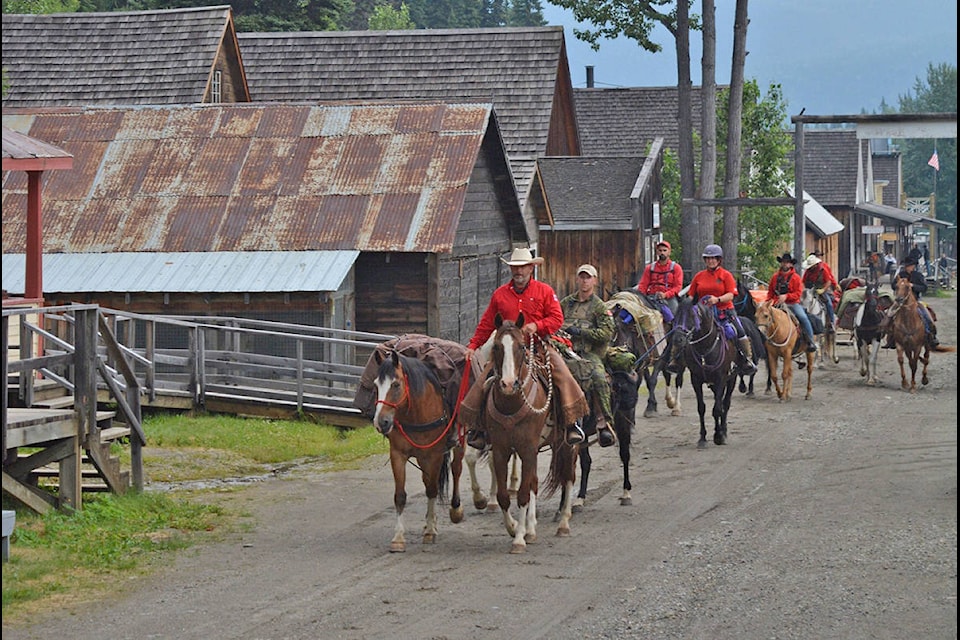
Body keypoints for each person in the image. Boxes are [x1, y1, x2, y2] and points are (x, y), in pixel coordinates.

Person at [459, 247, 589, 449]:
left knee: (563, 374)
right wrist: (473, 345)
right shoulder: (500, 295)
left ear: (531, 268)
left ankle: (571, 424)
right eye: (515, 268)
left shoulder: (544, 291)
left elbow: (557, 318)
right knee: (483, 379)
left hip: (537, 346)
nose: (518, 272)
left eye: (523, 267)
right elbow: (486, 323)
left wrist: (537, 325)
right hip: (507, 350)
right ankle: (479, 428)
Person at [559, 264, 616, 447]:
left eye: (588, 277)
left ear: (595, 281)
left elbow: (607, 333)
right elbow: (555, 321)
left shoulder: (599, 306)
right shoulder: (566, 303)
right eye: (582, 277)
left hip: (589, 353)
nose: (584, 281)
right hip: (565, 351)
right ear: (577, 279)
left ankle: (604, 421)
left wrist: (581, 332)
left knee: (599, 378)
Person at [678, 243, 757, 374]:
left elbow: (731, 295)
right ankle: (677, 359)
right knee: (684, 330)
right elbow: (692, 295)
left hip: (724, 311)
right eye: (708, 258)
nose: (711, 261)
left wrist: (717, 299)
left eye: (713, 258)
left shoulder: (726, 275)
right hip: (703, 313)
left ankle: (746, 359)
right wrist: (685, 303)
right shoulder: (699, 276)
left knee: (739, 331)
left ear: (719, 259)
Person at [883, 255, 940, 348]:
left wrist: (913, 286)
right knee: (889, 314)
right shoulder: (900, 275)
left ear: (913, 266)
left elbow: (924, 288)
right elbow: (893, 285)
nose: (907, 267)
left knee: (926, 315)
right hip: (900, 301)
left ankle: (931, 335)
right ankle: (890, 336)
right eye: (906, 266)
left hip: (916, 301)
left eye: (909, 265)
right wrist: (899, 285)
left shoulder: (918, 276)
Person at [766, 253, 818, 353]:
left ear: (790, 264)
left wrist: (786, 296)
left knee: (803, 317)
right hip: (776, 304)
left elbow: (798, 294)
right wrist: (770, 301)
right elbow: (770, 293)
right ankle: (764, 341)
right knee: (764, 318)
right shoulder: (775, 277)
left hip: (792, 304)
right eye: (783, 262)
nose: (785, 264)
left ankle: (810, 341)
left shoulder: (796, 278)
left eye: (787, 263)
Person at [636, 240, 684, 320]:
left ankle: (674, 330)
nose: (662, 253)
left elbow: (678, 287)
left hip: (669, 298)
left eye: (665, 250)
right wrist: (640, 297)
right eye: (660, 250)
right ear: (657, 252)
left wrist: (665, 295)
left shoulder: (676, 267)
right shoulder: (650, 268)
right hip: (651, 297)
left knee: (674, 315)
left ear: (669, 252)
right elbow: (643, 285)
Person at [801, 252, 838, 330]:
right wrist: (804, 290)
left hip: (822, 289)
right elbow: (803, 281)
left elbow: (828, 281)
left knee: (828, 303)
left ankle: (831, 322)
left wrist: (823, 290)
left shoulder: (823, 270)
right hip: (810, 290)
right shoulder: (808, 271)